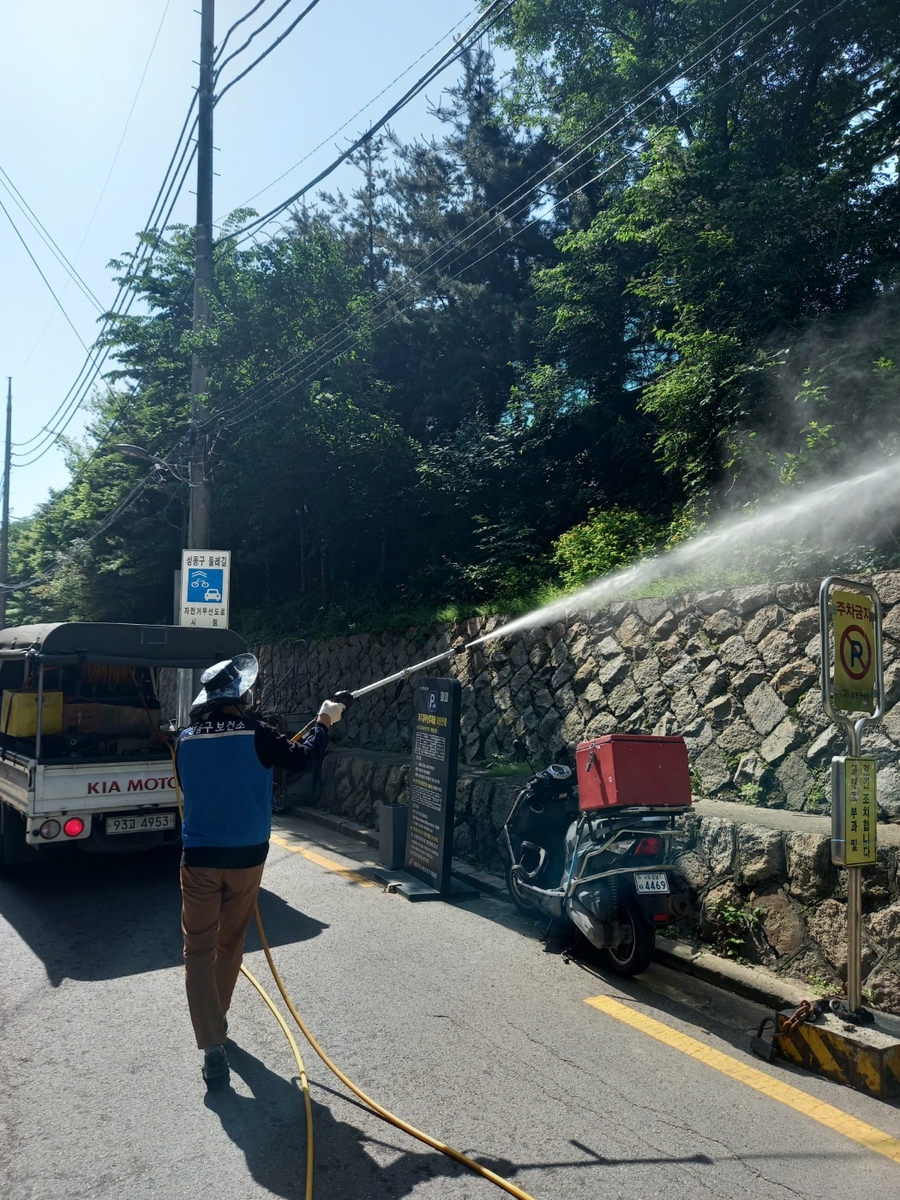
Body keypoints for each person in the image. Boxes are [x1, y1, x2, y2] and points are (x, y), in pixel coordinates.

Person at [176, 651, 349, 1085]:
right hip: (247, 856)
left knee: (197, 949)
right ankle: (220, 1019)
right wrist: (325, 723)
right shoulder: (258, 733)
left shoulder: (185, 738)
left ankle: (211, 1043)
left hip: (198, 859)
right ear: (241, 697)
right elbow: (301, 760)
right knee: (230, 943)